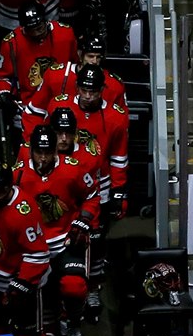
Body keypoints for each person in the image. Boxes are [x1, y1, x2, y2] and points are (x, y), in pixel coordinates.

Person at [40, 64, 130, 321]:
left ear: (103, 89)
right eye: (84, 89)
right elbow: (43, 142)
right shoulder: (59, 107)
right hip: (62, 185)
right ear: (76, 87)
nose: (88, 95)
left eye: (94, 90)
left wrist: (119, 190)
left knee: (96, 240)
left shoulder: (116, 116)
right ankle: (55, 296)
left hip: (97, 185)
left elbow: (118, 156)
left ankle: (92, 287)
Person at [14, 125, 99, 336]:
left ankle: (72, 324)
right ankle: (43, 332)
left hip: (65, 240)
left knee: (74, 286)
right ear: (30, 150)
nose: (43, 157)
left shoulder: (73, 169)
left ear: (55, 151)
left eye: (48, 152)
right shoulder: (19, 174)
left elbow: (92, 195)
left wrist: (83, 220)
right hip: (34, 247)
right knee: (26, 293)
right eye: (38, 152)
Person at [0, 162, 52, 336]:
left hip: (21, 283)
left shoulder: (24, 212)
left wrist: (21, 284)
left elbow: (39, 254)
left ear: (9, 186)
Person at [0, 0, 79, 158]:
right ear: (23, 27)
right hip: (28, 109)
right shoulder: (11, 43)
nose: (38, 33)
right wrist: (3, 94)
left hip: (65, 105)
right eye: (32, 29)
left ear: (47, 20)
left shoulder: (65, 34)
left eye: (40, 27)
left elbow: (77, 68)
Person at [22, 33, 129, 137]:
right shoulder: (55, 76)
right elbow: (33, 113)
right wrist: (35, 142)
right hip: (59, 144)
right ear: (80, 54)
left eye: (98, 57)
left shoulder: (115, 85)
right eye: (90, 56)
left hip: (97, 144)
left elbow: (121, 124)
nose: (94, 61)